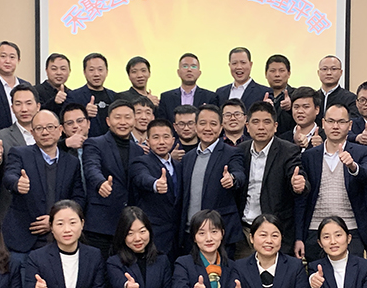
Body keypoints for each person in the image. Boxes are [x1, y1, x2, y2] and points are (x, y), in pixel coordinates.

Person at [1, 110, 85, 265]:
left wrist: (55, 220)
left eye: (50, 127)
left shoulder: (71, 162)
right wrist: (17, 184)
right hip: (22, 240)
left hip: (59, 239)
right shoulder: (20, 153)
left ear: (60, 130)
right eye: (39, 128)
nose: (45, 132)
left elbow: (78, 197)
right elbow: (9, 176)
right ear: (32, 133)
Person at [295, 104, 367, 262]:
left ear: (349, 125)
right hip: (315, 230)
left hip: (350, 229)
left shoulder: (361, 152)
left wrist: (353, 166)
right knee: (317, 275)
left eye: (341, 122)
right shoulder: (309, 156)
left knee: (352, 275)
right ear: (323, 123)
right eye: (331, 121)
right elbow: (302, 200)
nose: (335, 126)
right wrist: (299, 237)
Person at [237, 101, 309, 257]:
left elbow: (297, 175)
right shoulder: (240, 151)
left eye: (266, 122)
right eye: (256, 122)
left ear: (275, 126)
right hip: (244, 231)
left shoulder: (288, 150)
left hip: (275, 231)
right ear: (247, 126)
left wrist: (298, 184)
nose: (261, 127)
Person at [180, 104, 246, 258]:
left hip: (220, 235)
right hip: (191, 234)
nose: (208, 128)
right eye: (203, 123)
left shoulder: (232, 153)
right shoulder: (188, 158)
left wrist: (232, 179)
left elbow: (239, 174)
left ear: (221, 126)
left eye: (213, 124)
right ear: (196, 126)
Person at [82, 99, 145, 260]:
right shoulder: (94, 143)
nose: (123, 122)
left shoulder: (138, 151)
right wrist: (100, 183)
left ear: (134, 121)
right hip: (100, 226)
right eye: (117, 117)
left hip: (128, 227)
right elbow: (91, 167)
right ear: (108, 121)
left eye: (127, 117)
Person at [0, 84, 40, 219]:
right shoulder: (2, 136)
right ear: (12, 108)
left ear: (38, 106)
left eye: (28, 103)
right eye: (18, 104)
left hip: (44, 210)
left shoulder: (50, 133)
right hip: (13, 210)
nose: (24, 109)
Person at [130, 118, 182, 260]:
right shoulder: (140, 162)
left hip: (178, 238)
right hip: (155, 235)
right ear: (148, 141)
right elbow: (141, 178)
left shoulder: (180, 166)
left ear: (173, 140)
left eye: (165, 137)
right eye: (155, 137)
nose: (161, 142)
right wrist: (155, 184)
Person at [66, 53, 116, 137]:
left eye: (100, 69)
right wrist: (84, 114)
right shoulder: (73, 96)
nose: (96, 74)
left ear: (107, 72)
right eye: (91, 70)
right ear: (84, 72)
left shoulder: (115, 96)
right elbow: (67, 122)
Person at [157, 53, 215, 122]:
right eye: (185, 66)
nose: (189, 69)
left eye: (193, 66)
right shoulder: (166, 97)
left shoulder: (210, 97)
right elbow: (162, 123)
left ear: (199, 73)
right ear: (178, 72)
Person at [280, 86, 326, 152]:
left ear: (317, 110)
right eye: (296, 107)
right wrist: (294, 145)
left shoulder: (326, 138)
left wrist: (321, 148)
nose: (300, 111)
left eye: (306, 107)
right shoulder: (282, 139)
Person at [316, 55, 359, 124]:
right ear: (318, 72)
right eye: (324, 69)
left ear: (341, 72)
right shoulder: (313, 98)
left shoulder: (350, 98)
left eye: (333, 69)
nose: (329, 73)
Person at [58, 103, 90, 191]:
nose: (75, 126)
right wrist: (65, 144)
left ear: (88, 124)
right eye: (69, 123)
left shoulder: (101, 146)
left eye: (80, 121)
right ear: (63, 129)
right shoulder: (58, 151)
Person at [264, 54, 295, 135]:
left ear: (289, 74)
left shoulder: (297, 95)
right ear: (266, 74)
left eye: (281, 71)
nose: (277, 75)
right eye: (272, 71)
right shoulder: (260, 95)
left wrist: (291, 108)